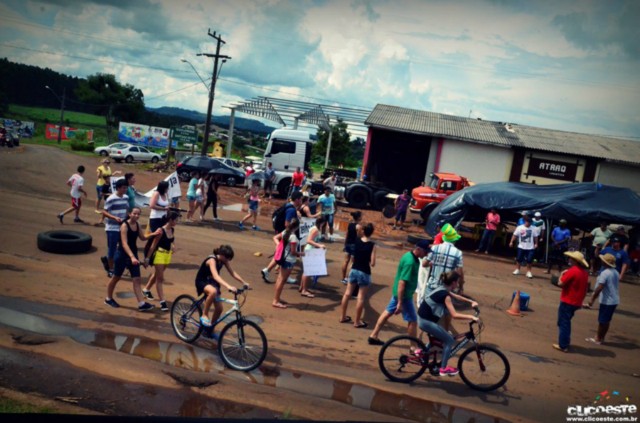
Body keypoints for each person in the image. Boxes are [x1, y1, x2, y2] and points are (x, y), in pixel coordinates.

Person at [367, 240, 431, 345]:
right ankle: (413, 347)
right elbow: (402, 282)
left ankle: (373, 335)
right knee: (413, 320)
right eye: (425, 251)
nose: (426, 254)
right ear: (418, 249)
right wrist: (400, 303)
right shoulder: (410, 262)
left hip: (399, 293)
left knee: (387, 312)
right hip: (404, 295)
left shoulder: (409, 256)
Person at [417, 271, 479, 376]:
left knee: (441, 337)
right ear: (453, 283)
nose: (458, 284)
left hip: (423, 318)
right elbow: (454, 315)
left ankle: (422, 352)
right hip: (426, 322)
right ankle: (443, 368)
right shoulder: (446, 296)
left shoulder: (443, 288)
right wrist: (471, 316)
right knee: (449, 340)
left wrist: (470, 301)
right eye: (457, 282)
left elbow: (457, 297)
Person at [104, 207, 160, 311]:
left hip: (133, 254)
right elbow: (124, 244)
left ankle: (141, 304)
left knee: (137, 279)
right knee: (116, 277)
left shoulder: (137, 225)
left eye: (138, 214)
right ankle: (108, 298)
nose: (136, 216)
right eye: (134, 214)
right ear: (129, 214)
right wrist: (132, 257)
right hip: (122, 255)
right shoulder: (124, 225)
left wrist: (154, 234)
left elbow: (143, 237)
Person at [196, 245, 250, 337]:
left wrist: (243, 282)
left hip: (212, 282)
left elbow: (232, 273)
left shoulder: (223, 260)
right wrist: (228, 286)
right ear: (221, 254)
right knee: (212, 291)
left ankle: (209, 330)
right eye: (227, 258)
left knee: (219, 309)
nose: (228, 261)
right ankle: (204, 315)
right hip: (202, 281)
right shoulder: (212, 260)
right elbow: (216, 276)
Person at [260, 192, 303, 283]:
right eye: (301, 199)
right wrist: (291, 233)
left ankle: (268, 270)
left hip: (282, 233)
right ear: (297, 199)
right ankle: (279, 274)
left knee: (280, 254)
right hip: (286, 235)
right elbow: (287, 223)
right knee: (283, 255)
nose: (302, 201)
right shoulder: (291, 210)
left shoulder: (288, 205)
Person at [340, 222, 376, 329]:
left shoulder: (357, 240)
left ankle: (342, 316)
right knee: (360, 297)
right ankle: (357, 321)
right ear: (372, 233)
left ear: (363, 231)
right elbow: (373, 263)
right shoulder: (372, 245)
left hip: (354, 269)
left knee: (347, 294)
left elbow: (357, 230)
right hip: (364, 271)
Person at [552, 251, 589, 352]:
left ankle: (563, 345)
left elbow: (560, 283)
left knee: (563, 322)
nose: (569, 259)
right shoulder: (584, 273)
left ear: (574, 261)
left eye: (570, 258)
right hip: (576, 302)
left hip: (568, 301)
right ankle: (565, 342)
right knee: (566, 321)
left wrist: (562, 274)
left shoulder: (573, 270)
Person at [143, 211, 179, 312]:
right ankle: (163, 302)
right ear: (170, 220)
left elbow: (172, 240)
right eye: (176, 220)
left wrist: (174, 246)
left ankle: (146, 289)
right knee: (160, 279)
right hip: (159, 255)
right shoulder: (161, 231)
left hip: (167, 256)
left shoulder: (172, 229)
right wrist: (147, 259)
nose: (177, 221)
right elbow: (153, 245)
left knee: (158, 274)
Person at [142, 180, 171, 300]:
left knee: (163, 237)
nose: (168, 189)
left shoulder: (165, 195)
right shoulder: (156, 194)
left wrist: (168, 210)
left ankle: (155, 255)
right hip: (155, 219)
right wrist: (164, 208)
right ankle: (148, 255)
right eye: (167, 187)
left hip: (163, 218)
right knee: (156, 237)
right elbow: (152, 206)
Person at [583, 253, 619, 345]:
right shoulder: (615, 272)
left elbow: (600, 287)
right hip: (613, 300)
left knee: (602, 321)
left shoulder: (605, 273)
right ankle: (601, 337)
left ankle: (598, 338)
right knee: (606, 320)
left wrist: (592, 300)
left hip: (607, 300)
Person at [100, 179, 130, 277]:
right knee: (112, 249)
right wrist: (114, 217)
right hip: (112, 228)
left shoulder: (126, 197)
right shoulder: (111, 198)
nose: (125, 189)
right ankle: (111, 269)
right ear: (118, 188)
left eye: (126, 187)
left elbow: (126, 210)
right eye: (124, 188)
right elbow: (104, 212)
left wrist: (128, 218)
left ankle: (110, 262)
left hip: (122, 227)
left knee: (123, 247)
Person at [272, 218, 303, 309]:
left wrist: (278, 245)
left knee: (279, 279)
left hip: (283, 258)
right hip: (289, 260)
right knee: (282, 281)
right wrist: (301, 254)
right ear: (297, 226)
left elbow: (275, 237)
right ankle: (276, 301)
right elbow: (293, 252)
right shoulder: (293, 236)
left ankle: (277, 298)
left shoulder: (286, 231)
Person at [300, 216, 327, 298]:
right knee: (308, 271)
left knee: (307, 271)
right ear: (322, 223)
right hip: (310, 250)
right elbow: (309, 240)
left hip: (311, 250)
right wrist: (319, 245)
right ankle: (304, 290)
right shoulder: (315, 229)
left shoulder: (315, 228)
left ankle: (302, 288)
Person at [341, 211, 363, 285]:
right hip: (354, 245)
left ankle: (343, 278)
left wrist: (345, 244)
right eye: (361, 216)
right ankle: (347, 278)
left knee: (345, 261)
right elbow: (358, 238)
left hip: (348, 244)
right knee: (352, 263)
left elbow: (346, 235)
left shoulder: (350, 224)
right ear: (359, 217)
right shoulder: (358, 226)